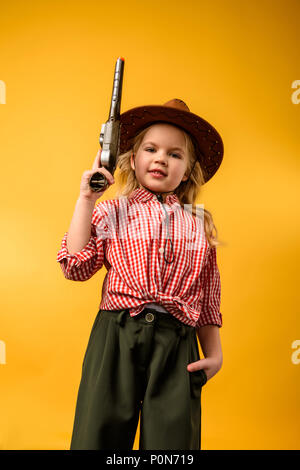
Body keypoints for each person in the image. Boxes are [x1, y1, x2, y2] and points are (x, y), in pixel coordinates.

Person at [56, 98, 225, 450]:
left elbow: (207, 296)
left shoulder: (198, 224)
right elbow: (75, 265)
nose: (161, 158)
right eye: (151, 149)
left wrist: (214, 354)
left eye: (175, 154)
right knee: (98, 434)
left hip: (177, 342)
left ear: (190, 169)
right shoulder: (112, 212)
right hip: (116, 335)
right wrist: (85, 200)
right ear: (133, 159)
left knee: (172, 442)